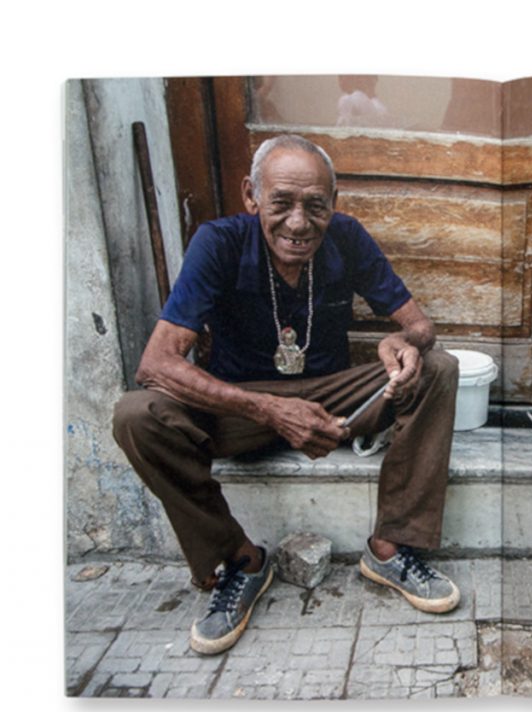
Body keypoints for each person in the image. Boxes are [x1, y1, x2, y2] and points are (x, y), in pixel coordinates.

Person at [113, 134, 461, 657]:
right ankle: (240, 560)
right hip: (239, 402)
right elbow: (156, 364)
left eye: (315, 205)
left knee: (437, 367)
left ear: (334, 202)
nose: (299, 223)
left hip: (331, 399)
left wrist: (403, 342)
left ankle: (390, 546)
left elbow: (421, 327)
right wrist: (270, 409)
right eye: (281, 204)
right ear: (252, 197)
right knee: (135, 415)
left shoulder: (346, 237)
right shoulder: (220, 242)